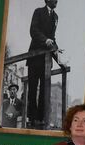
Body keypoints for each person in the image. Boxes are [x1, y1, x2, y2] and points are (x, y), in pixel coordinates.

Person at [26, 0, 59, 129]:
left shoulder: (56, 17)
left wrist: (56, 48)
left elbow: (53, 37)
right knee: (33, 89)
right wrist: (45, 40)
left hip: (46, 60)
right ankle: (32, 119)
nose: (56, 1)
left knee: (45, 90)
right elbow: (33, 30)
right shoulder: (38, 12)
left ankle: (41, 120)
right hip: (35, 57)